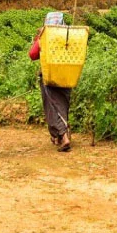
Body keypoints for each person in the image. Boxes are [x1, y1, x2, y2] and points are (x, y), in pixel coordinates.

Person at [29, 12, 72, 152]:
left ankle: (64, 136)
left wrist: (39, 38)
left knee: (53, 107)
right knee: (62, 105)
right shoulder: (70, 36)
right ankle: (61, 135)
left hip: (50, 77)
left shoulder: (45, 37)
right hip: (67, 76)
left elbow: (33, 54)